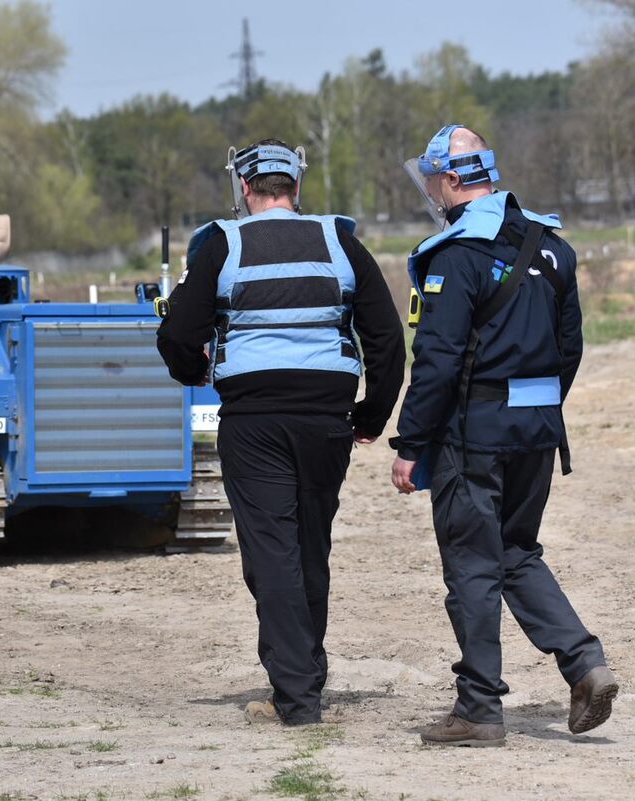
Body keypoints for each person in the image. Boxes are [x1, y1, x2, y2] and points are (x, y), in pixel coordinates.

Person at [157, 139, 405, 726]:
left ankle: (296, 699)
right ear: (296, 186)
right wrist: (372, 416)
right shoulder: (340, 241)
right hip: (327, 421)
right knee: (309, 547)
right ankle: (305, 675)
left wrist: (199, 373)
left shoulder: (225, 242)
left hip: (254, 419)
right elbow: (388, 340)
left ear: (245, 187)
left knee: (271, 554)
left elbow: (176, 334)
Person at [390, 125, 616, 746]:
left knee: (472, 566)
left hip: (475, 435)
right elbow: (569, 348)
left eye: (433, 179)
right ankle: (584, 663)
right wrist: (534, 409)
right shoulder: (553, 248)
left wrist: (411, 445)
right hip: (538, 431)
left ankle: (478, 710)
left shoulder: (456, 254)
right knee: (516, 550)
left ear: (451, 178)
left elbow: (435, 358)